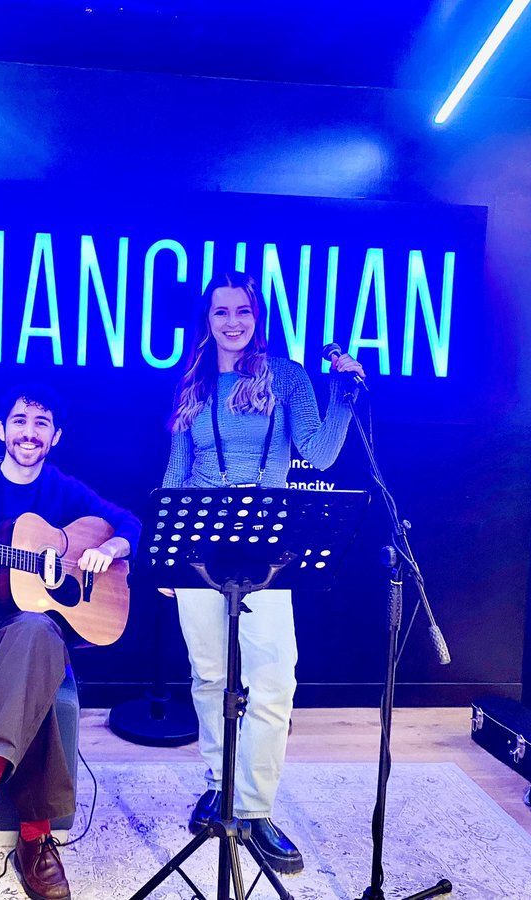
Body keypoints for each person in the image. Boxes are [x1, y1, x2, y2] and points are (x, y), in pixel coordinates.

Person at [160, 271, 364, 874]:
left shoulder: (287, 376)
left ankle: (254, 806)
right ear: (207, 320)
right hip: (198, 544)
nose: (232, 322)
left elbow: (320, 454)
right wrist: (166, 556)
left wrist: (344, 393)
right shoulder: (193, 381)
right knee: (209, 676)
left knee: (272, 681)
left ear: (257, 316)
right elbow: (178, 467)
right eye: (221, 311)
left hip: (265, 547)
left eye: (242, 310)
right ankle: (219, 784)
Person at [0, 384, 141, 900]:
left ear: (55, 436)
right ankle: (36, 837)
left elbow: (129, 523)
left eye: (41, 424)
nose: (29, 433)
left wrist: (109, 549)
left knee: (37, 630)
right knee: (34, 664)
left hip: (31, 633)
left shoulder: (64, 490)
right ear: (2, 430)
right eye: (20, 421)